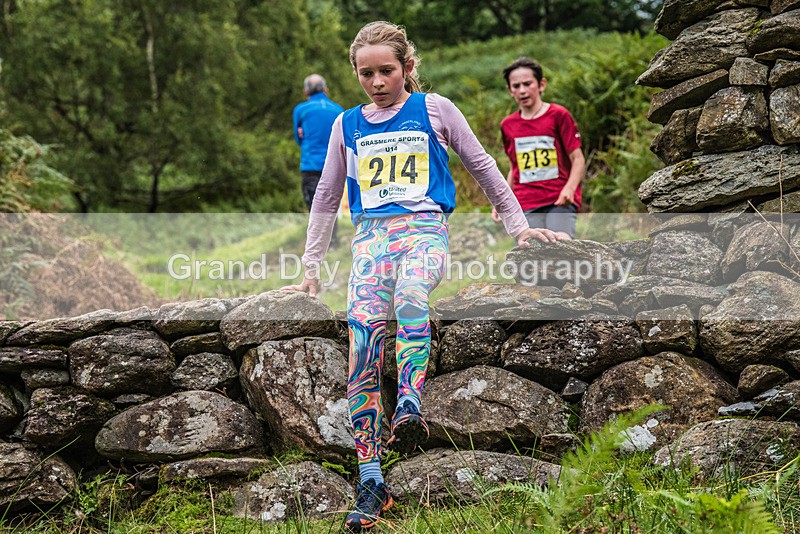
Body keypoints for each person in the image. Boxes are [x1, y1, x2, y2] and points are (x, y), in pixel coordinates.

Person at [283, 22, 565, 532]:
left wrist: (520, 227)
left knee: (412, 295)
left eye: (386, 70)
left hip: (424, 232)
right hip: (369, 243)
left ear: (407, 67)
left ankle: (410, 403)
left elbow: (482, 167)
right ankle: (371, 481)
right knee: (362, 349)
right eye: (366, 73)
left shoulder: (435, 109)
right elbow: (325, 198)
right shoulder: (346, 125)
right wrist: (311, 269)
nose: (376, 81)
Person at [491, 57, 586, 239]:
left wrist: (570, 189)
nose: (522, 91)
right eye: (516, 86)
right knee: (530, 250)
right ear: (510, 90)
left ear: (541, 84)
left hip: (558, 199)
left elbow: (578, 159)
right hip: (525, 202)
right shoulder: (508, 125)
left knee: (560, 243)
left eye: (527, 84)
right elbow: (514, 168)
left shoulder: (558, 115)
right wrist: (501, 202)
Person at [292, 74, 345, 242]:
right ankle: (333, 238)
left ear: (306, 91)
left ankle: (319, 240)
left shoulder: (300, 110)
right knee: (332, 201)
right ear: (326, 90)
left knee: (314, 203)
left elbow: (298, 137)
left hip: (310, 163)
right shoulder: (338, 110)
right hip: (334, 164)